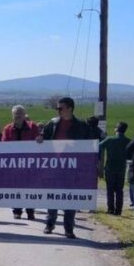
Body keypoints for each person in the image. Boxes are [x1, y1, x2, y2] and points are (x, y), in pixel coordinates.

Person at [38, 96, 92, 238]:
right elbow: (44, 136)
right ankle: (50, 224)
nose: (58, 110)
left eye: (60, 108)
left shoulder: (82, 126)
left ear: (70, 108)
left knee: (70, 197)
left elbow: (89, 146)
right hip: (54, 166)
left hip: (72, 168)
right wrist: (40, 138)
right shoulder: (52, 123)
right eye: (57, 108)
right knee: (52, 196)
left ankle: (69, 228)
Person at [1, 104, 39, 220]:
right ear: (12, 115)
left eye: (20, 114)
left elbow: (38, 141)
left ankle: (30, 210)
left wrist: (39, 140)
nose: (18, 116)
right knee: (15, 187)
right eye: (15, 114)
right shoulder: (7, 129)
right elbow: (3, 145)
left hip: (30, 163)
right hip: (14, 164)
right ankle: (17, 210)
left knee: (30, 188)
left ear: (24, 115)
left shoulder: (32, 127)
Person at [99, 121, 132, 215]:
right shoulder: (128, 141)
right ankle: (118, 210)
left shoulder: (109, 139)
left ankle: (110, 209)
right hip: (121, 169)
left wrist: (103, 137)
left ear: (116, 129)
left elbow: (99, 146)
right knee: (119, 190)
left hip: (110, 168)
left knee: (110, 190)